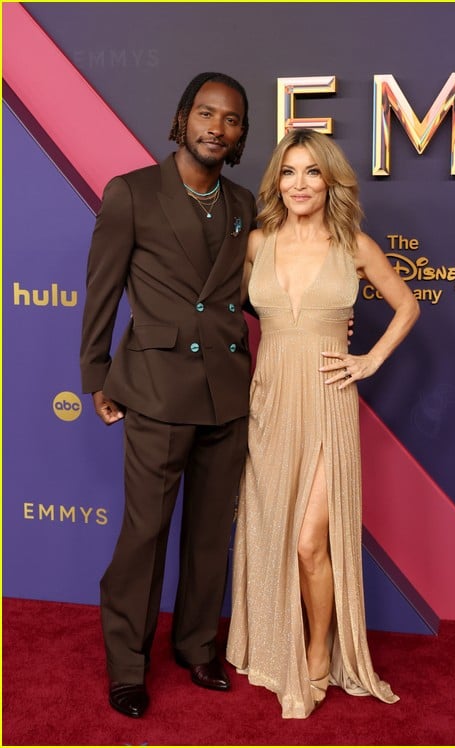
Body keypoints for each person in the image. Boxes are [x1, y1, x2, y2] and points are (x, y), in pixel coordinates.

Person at [226, 129, 420, 719]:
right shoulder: (257, 242)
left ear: (331, 180)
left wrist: (369, 359)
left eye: (313, 172)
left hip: (330, 401)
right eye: (289, 172)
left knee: (312, 541)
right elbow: (226, 315)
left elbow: (406, 304)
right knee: (270, 531)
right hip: (270, 402)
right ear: (276, 182)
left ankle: (317, 652)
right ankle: (270, 639)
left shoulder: (353, 244)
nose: (300, 184)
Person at [80, 72, 256, 718]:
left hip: (227, 392)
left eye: (231, 119)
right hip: (154, 391)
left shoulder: (243, 206)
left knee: (211, 534)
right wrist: (94, 373)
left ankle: (196, 645)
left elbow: (254, 293)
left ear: (240, 135)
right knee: (145, 534)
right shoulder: (131, 194)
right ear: (182, 119)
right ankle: (127, 664)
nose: (216, 127)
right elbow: (101, 290)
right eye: (206, 113)